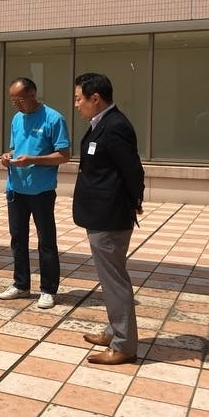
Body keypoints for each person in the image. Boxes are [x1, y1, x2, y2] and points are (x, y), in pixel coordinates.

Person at [73, 72, 144, 365]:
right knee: (110, 278)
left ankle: (124, 345)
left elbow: (133, 171)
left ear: (95, 98)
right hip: (101, 214)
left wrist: (134, 202)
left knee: (115, 281)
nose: (76, 104)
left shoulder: (115, 126)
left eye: (79, 98)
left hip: (110, 217)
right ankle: (114, 331)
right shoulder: (101, 124)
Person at [0, 77, 70, 309]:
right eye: (12, 101)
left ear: (32, 95)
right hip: (16, 189)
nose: (16, 104)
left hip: (42, 191)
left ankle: (48, 289)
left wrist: (33, 160)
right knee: (18, 239)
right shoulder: (17, 119)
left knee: (46, 241)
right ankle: (21, 285)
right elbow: (15, 148)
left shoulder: (53, 118)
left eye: (19, 100)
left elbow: (64, 155)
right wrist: (7, 156)